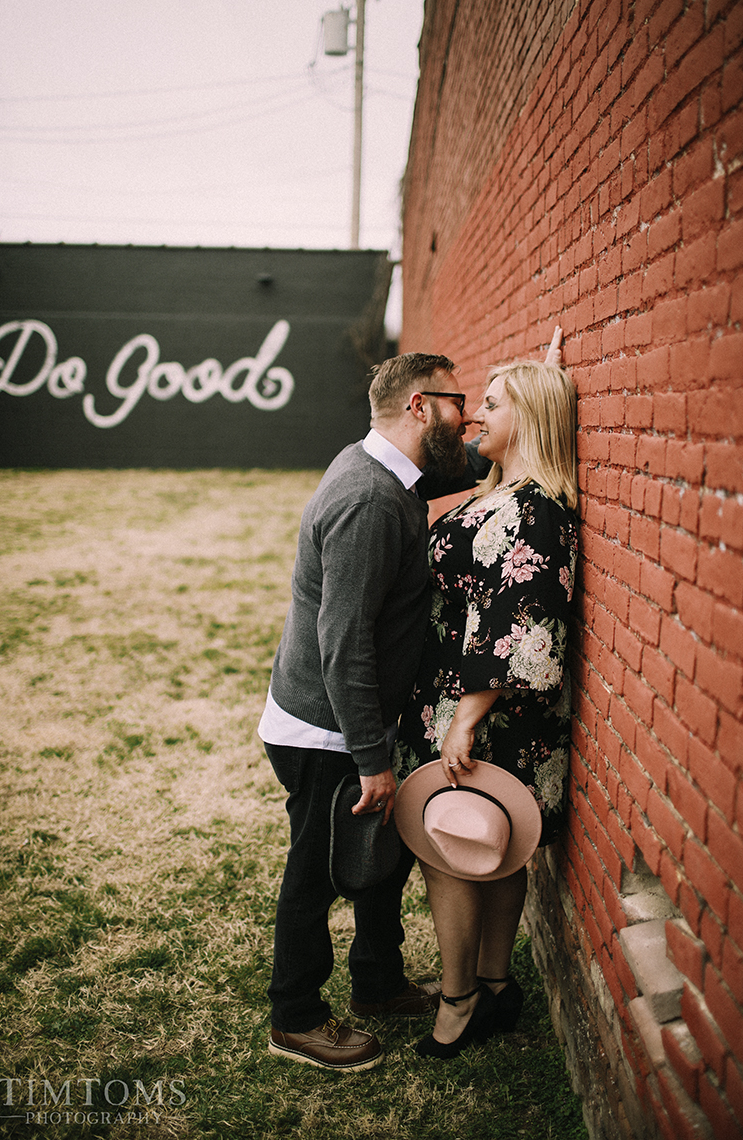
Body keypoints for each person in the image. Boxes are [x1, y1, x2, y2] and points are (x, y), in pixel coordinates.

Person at [258, 350, 477, 1072]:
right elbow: (343, 645)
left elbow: (456, 464)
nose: (468, 414)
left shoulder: (391, 470)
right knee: (316, 874)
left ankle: (378, 984)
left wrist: (521, 428)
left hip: (351, 721)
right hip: (328, 728)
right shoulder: (371, 500)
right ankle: (295, 1016)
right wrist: (370, 762)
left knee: (380, 867)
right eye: (458, 401)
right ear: (419, 406)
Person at [394, 353, 578, 1059]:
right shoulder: (503, 492)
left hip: (481, 711)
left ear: (529, 418)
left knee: (455, 847)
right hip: (464, 704)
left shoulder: (534, 510)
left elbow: (522, 625)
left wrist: (464, 721)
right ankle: (497, 985)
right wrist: (540, 370)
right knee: (496, 849)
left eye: (494, 405)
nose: (476, 415)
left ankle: (460, 998)